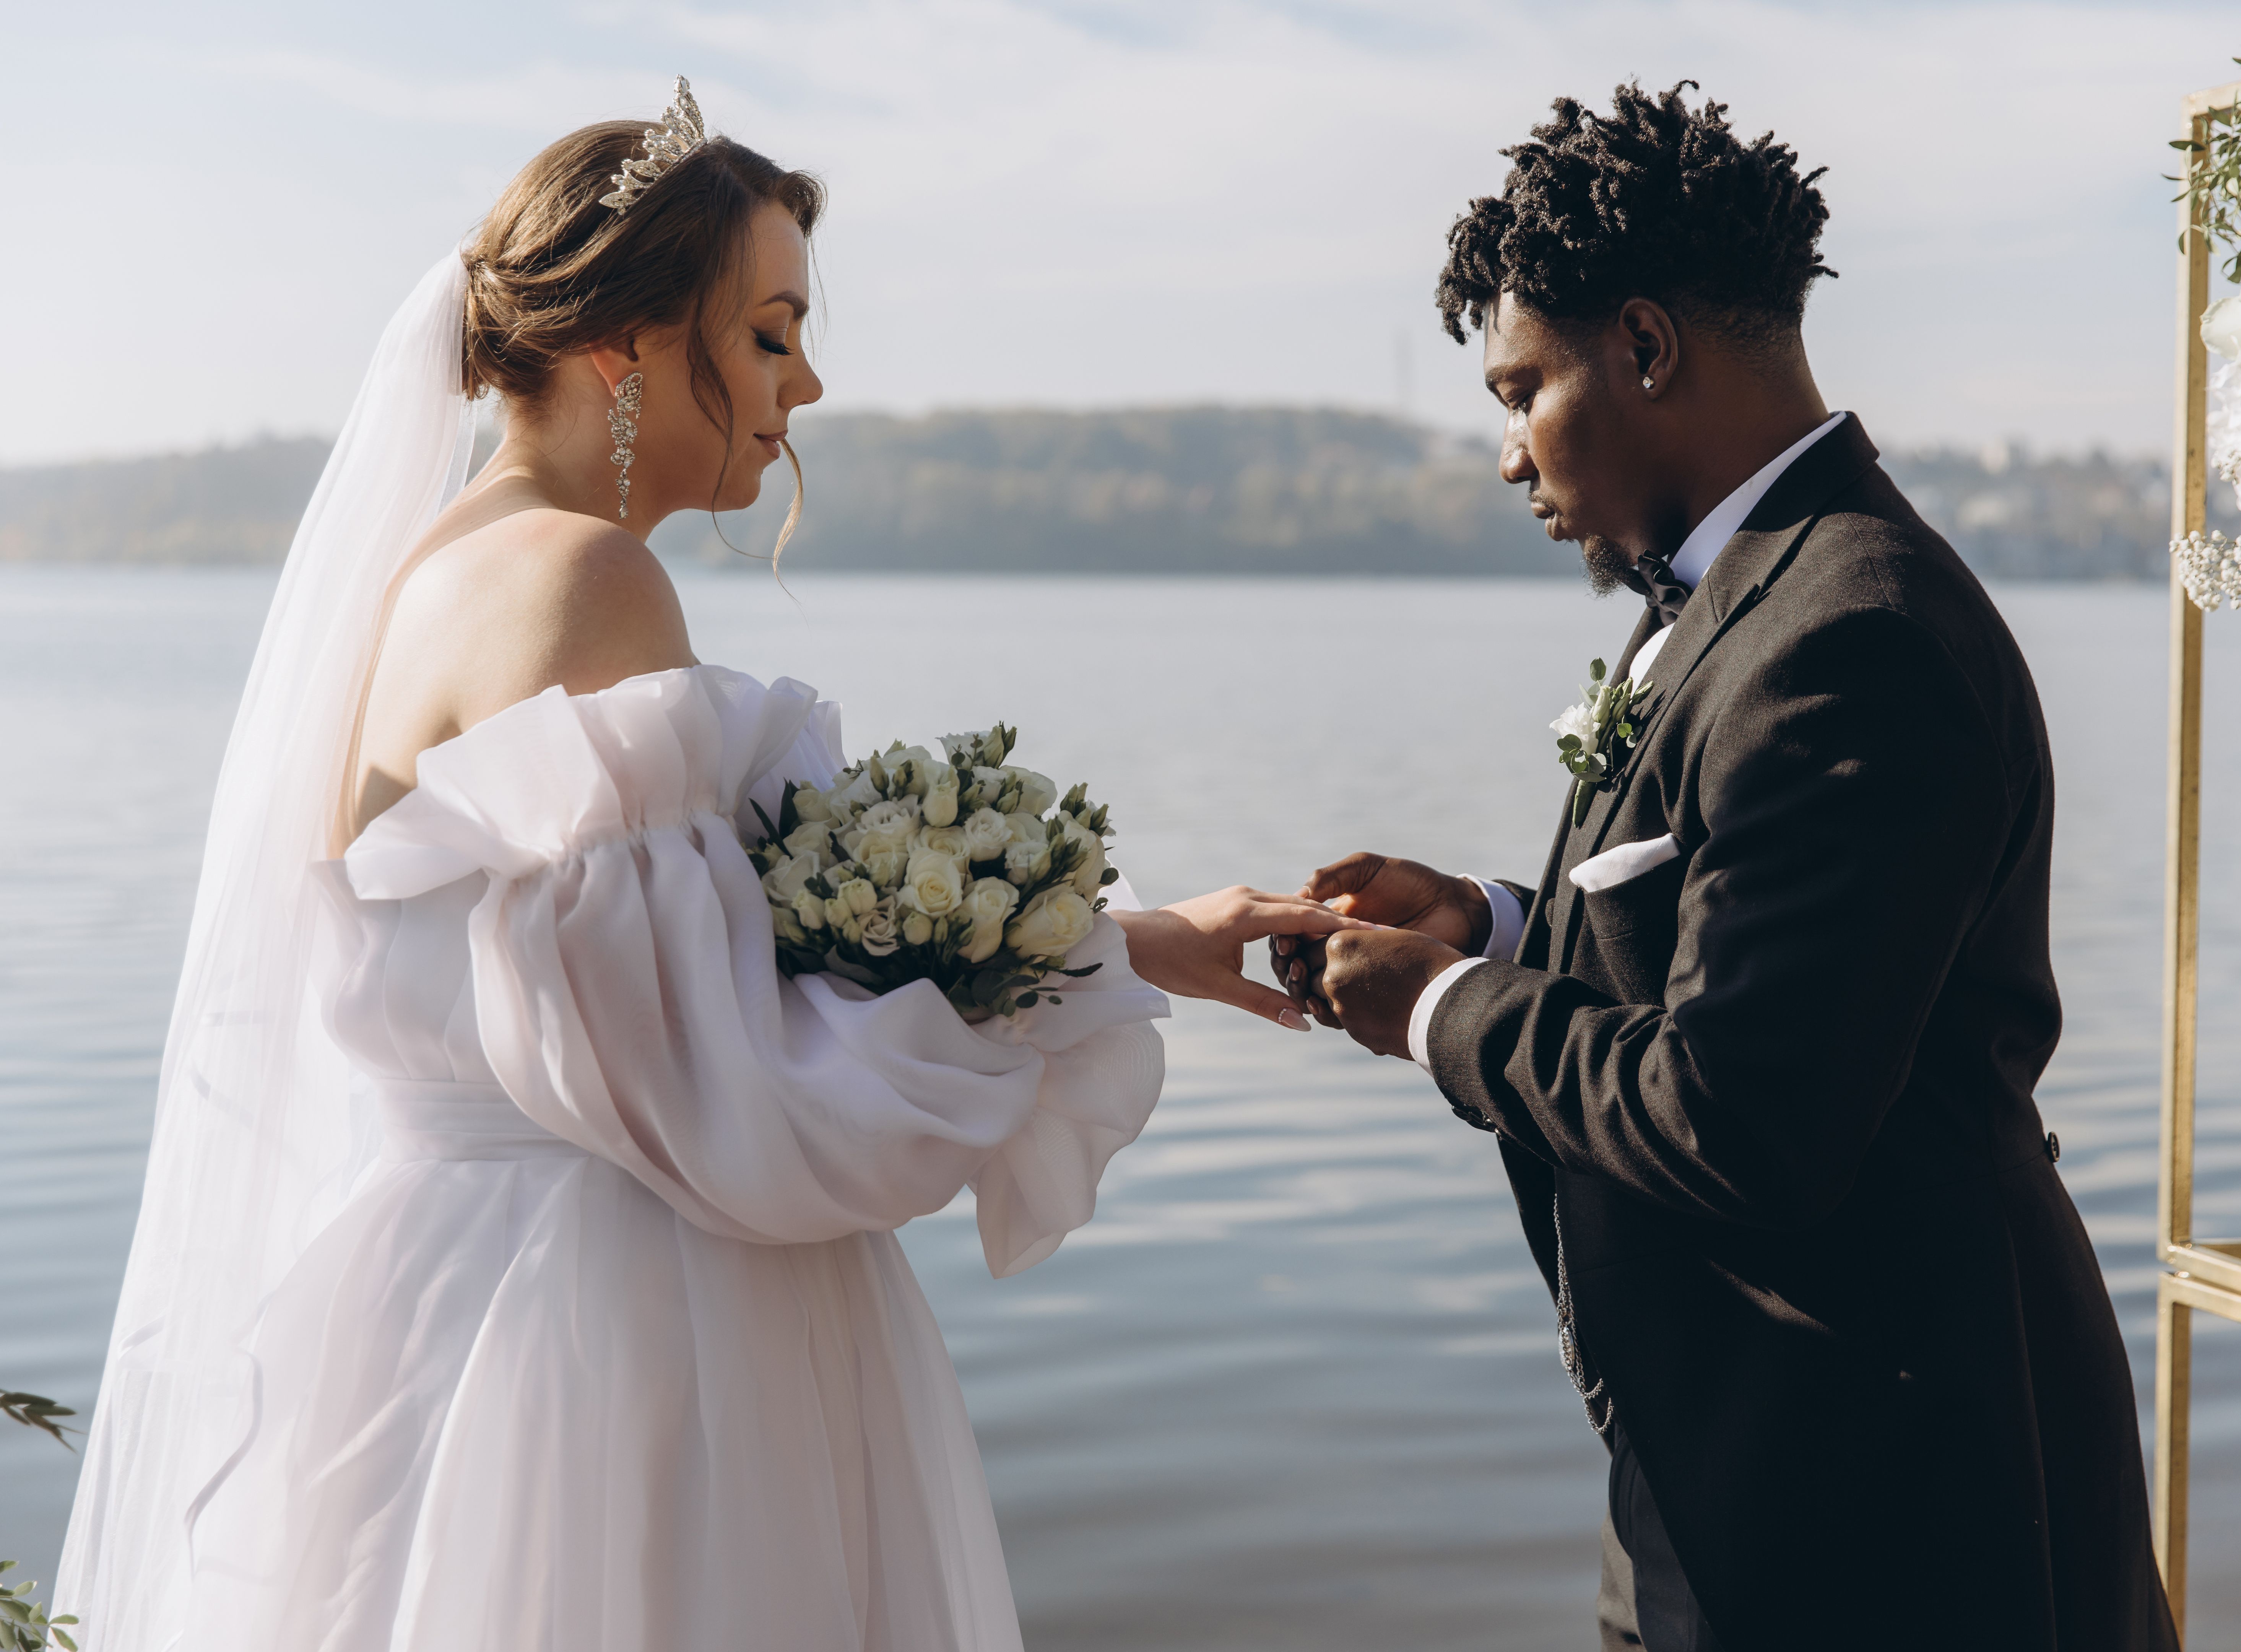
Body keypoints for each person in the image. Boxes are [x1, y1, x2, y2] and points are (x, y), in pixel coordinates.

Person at [57, 81, 1346, 1652]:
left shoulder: (430, 575)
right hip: (613, 1349)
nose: (808, 381)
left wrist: (1130, 936)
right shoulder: (585, 584)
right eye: (770, 333)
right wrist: (1079, 983)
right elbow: (731, 1089)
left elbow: (645, 1001)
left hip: (438, 1319)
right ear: (625, 346)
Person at [1276, 82, 2177, 1652]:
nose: (1508, 456)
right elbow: (1723, 932)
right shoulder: (1744, 592)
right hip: (1740, 1468)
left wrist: (1446, 1009)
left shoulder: (1853, 634)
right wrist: (1496, 916)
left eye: (1521, 389)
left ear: (1643, 346)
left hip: (1881, 1496)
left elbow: (1747, 1115)